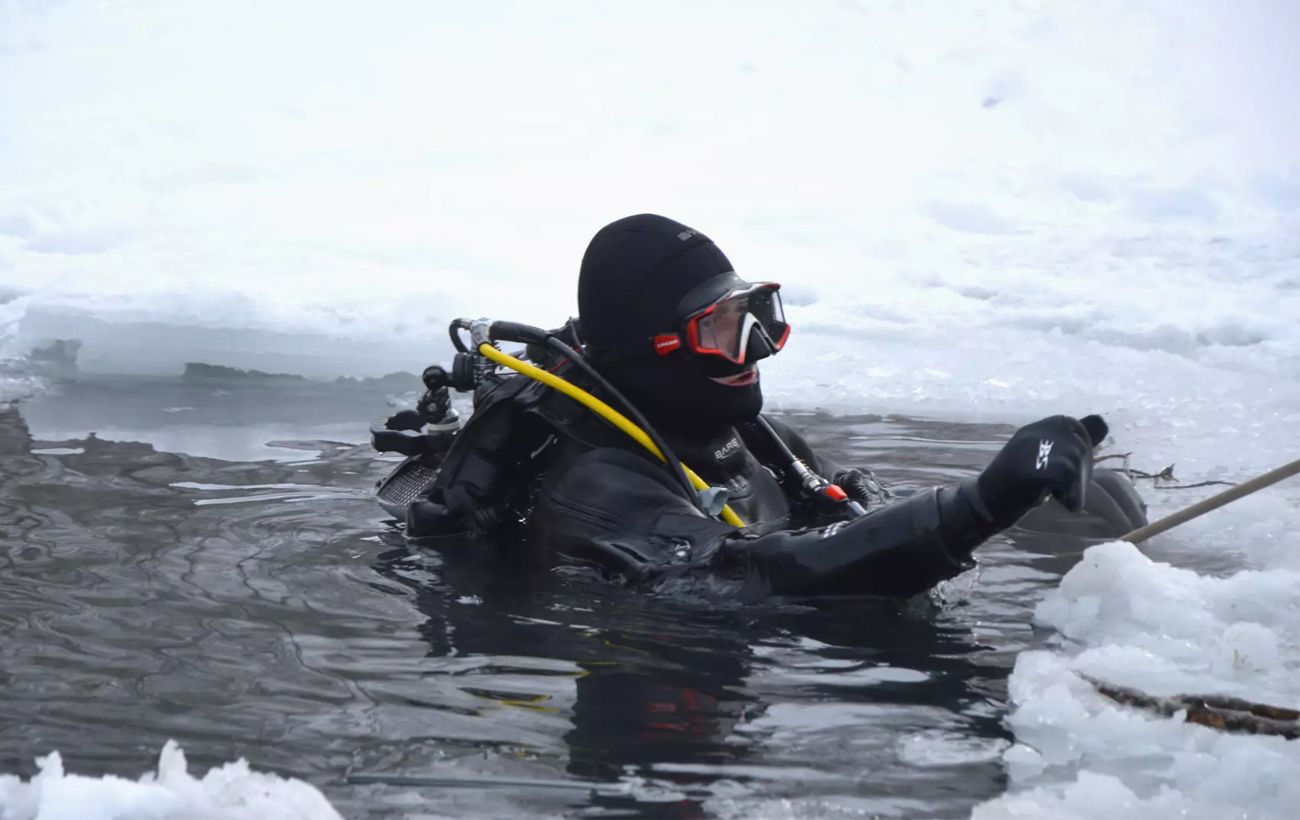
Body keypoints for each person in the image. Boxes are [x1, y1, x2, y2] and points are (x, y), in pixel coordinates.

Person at [400, 214, 1146, 598]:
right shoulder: (599, 484)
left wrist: (1031, 507)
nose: (755, 349)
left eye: (757, 316)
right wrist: (983, 503)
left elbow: (848, 522)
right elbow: (747, 580)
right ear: (651, 344)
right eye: (721, 329)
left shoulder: (758, 438)